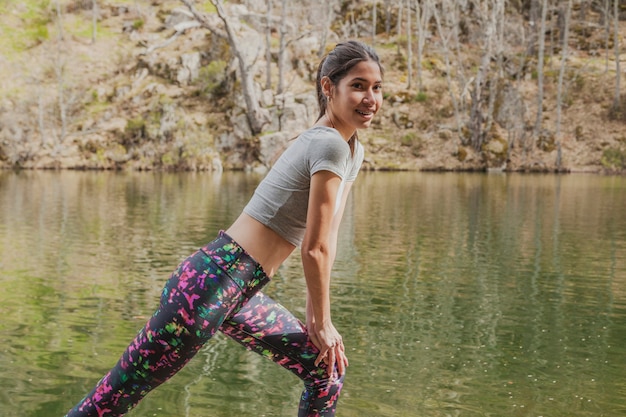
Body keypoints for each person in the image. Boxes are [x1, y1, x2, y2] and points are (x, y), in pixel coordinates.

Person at [65, 39, 384, 417]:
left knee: (326, 372)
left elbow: (327, 238)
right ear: (328, 88)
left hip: (240, 293)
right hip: (207, 285)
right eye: (358, 86)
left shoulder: (351, 149)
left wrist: (318, 321)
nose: (370, 98)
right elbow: (313, 248)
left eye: (376, 87)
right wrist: (323, 322)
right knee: (109, 401)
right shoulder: (328, 144)